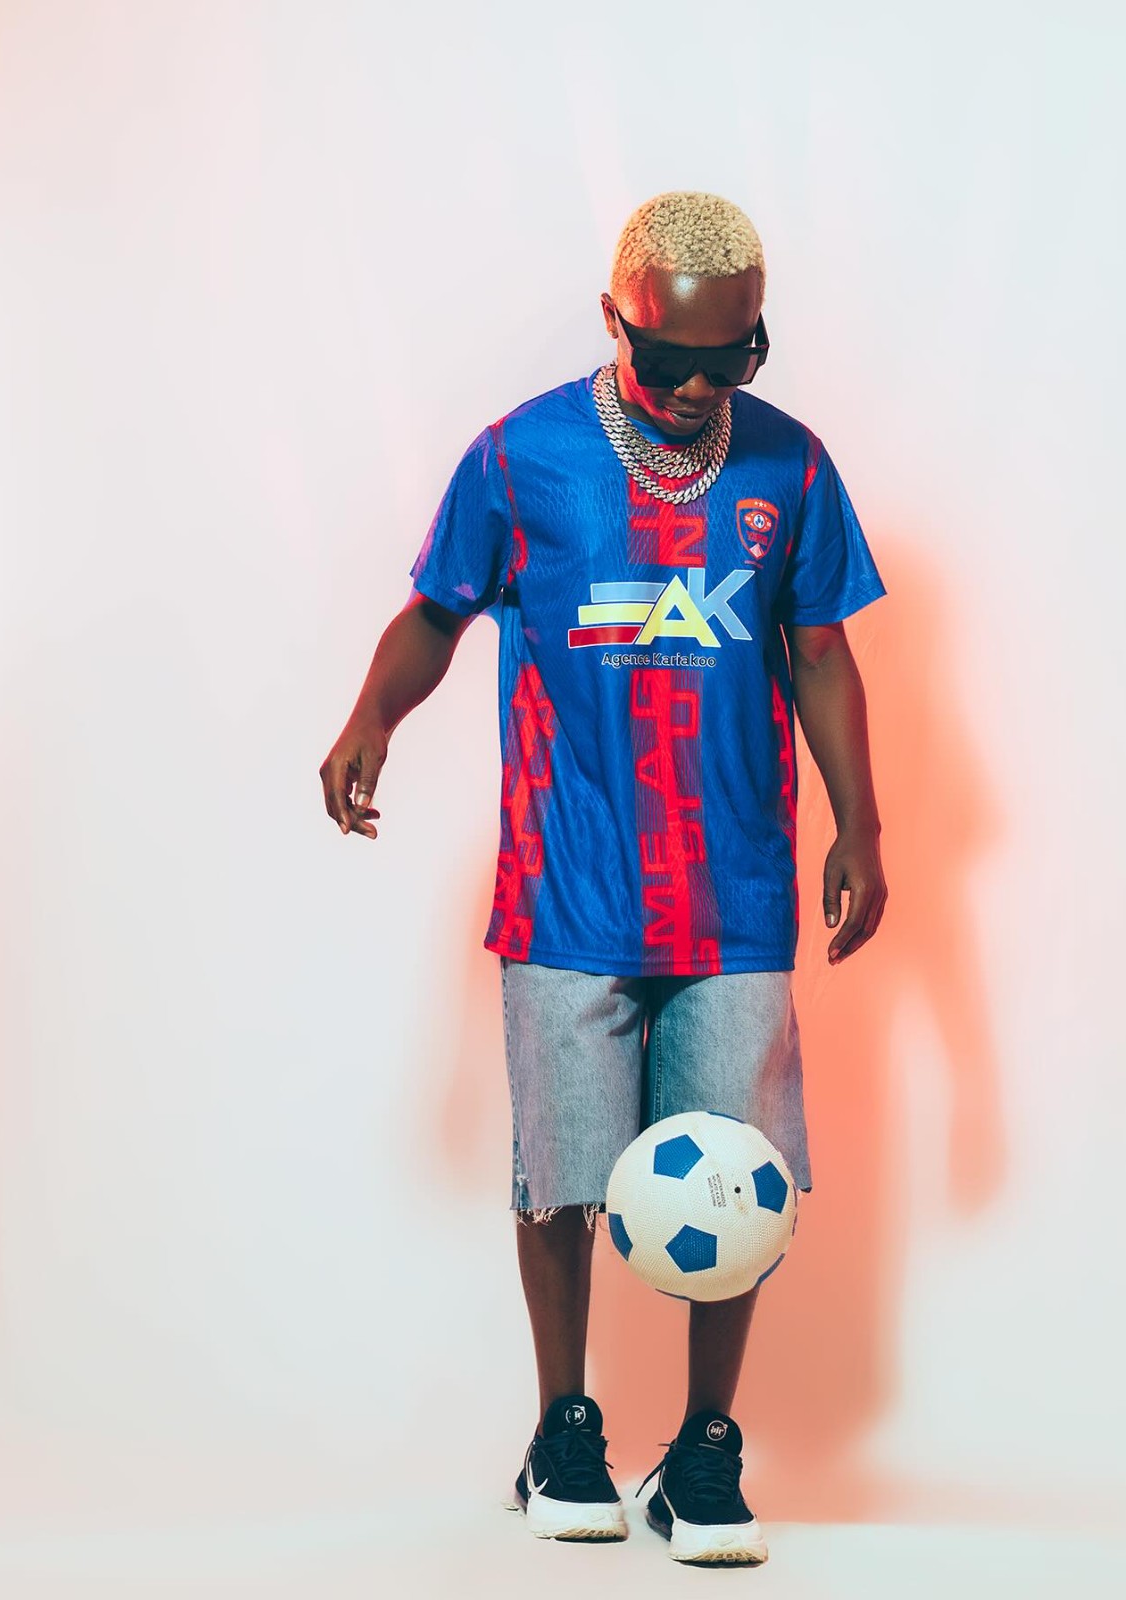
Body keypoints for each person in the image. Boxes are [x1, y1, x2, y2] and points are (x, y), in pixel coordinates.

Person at [319, 191, 887, 1567]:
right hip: (568, 885)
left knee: (735, 1180)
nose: (695, 388)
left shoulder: (791, 465)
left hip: (735, 894)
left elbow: (819, 649)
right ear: (614, 322)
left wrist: (862, 827)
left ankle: (703, 1451)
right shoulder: (524, 459)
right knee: (564, 1176)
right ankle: (563, 1430)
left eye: (731, 358)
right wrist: (371, 718)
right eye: (668, 359)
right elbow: (438, 609)